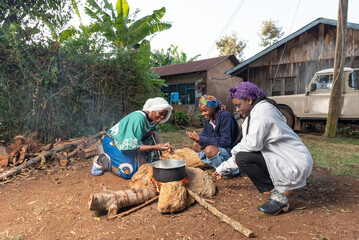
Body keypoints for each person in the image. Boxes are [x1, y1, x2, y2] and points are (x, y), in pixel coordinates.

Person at [215, 82, 313, 215]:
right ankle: (283, 187)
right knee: (243, 155)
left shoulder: (263, 112)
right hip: (282, 158)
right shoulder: (254, 113)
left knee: (243, 157)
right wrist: (223, 167)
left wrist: (229, 158)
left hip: (293, 161)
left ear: (249, 100)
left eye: (238, 105)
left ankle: (279, 198)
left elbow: (252, 145)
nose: (237, 110)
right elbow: (248, 145)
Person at [91, 97, 173, 179]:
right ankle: (101, 159)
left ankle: (140, 158)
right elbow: (133, 145)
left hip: (131, 145)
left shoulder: (153, 121)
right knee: (128, 171)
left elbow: (153, 139)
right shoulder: (139, 118)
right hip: (114, 142)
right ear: (153, 109)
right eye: (160, 113)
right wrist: (155, 147)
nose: (162, 117)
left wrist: (164, 147)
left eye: (164, 115)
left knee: (146, 165)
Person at [186, 95, 240, 179]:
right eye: (201, 111)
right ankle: (217, 166)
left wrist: (201, 139)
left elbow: (226, 142)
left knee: (209, 150)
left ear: (213, 107)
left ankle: (229, 172)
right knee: (196, 145)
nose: (203, 114)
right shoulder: (208, 119)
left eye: (205, 110)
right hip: (220, 147)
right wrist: (196, 137)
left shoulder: (226, 117)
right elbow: (206, 135)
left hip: (232, 150)